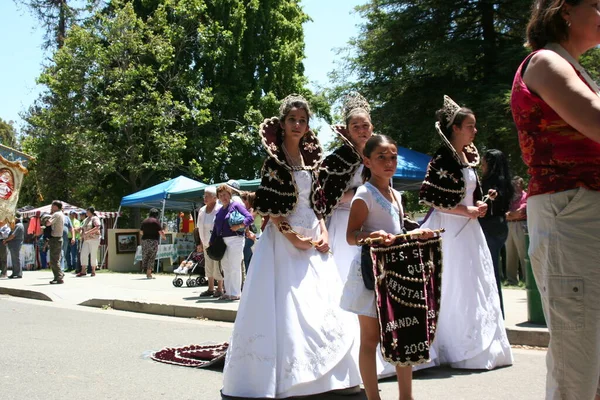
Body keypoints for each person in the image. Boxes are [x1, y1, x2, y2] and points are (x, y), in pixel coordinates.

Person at [222, 94, 361, 398]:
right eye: (292, 120)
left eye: (303, 120)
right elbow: (272, 210)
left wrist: (323, 230)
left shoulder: (312, 161)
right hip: (282, 244)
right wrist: (293, 237)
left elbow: (319, 202)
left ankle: (329, 377)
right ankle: (286, 378)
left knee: (323, 307)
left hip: (313, 238)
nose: (298, 125)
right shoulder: (273, 162)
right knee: (287, 310)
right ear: (282, 124)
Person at [510, 2, 600, 398]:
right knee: (577, 369)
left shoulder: (572, 68)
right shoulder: (545, 62)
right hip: (574, 215)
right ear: (565, 11)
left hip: (581, 212)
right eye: (596, 5)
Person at [419, 95, 513, 369]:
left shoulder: (467, 157)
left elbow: (470, 195)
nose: (475, 131)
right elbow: (430, 196)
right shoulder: (441, 159)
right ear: (455, 128)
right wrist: (465, 211)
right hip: (450, 230)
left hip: (470, 231)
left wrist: (479, 207)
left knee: (477, 281)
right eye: (470, 126)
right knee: (454, 283)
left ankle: (482, 345)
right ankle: (455, 347)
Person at [341, 134, 434, 400]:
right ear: (367, 161)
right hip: (371, 274)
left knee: (403, 336)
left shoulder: (396, 194)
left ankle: (406, 396)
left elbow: (400, 229)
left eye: (393, 156)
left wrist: (417, 235)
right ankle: (373, 397)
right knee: (370, 340)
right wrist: (372, 236)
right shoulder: (364, 194)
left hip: (397, 274)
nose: (389, 162)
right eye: (381, 157)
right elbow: (351, 235)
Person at [318, 92, 395, 379]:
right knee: (349, 285)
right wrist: (360, 195)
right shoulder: (338, 158)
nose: (363, 131)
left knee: (374, 286)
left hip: (375, 225)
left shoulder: (379, 153)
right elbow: (325, 194)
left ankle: (376, 349)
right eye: (356, 126)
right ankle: (345, 349)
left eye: (366, 126)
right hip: (345, 226)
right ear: (347, 129)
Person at [479, 149, 514, 317]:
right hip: (500, 225)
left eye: (484, 162)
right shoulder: (506, 181)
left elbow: (495, 195)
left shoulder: (490, 182)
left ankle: (496, 313)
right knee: (492, 268)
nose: (481, 165)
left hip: (489, 226)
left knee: (489, 270)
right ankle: (497, 312)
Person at [209, 184, 253, 301]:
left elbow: (250, 218)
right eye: (221, 195)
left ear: (230, 195)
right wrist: (211, 241)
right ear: (218, 197)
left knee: (234, 266)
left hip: (236, 240)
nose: (223, 197)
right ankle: (228, 292)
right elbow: (215, 228)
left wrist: (239, 225)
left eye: (226, 194)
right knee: (226, 267)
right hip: (223, 242)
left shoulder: (236, 205)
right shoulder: (219, 211)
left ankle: (236, 293)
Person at [197, 186, 224, 298]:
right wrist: (199, 243)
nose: (205, 198)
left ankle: (220, 288)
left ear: (214, 198)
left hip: (216, 242)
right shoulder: (202, 210)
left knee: (218, 265)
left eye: (207, 196)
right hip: (205, 242)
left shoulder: (219, 209)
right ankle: (210, 288)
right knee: (208, 265)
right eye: (204, 195)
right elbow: (198, 227)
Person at [505, 176, 527, 285]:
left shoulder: (525, 196)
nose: (515, 186)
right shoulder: (510, 198)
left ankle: (527, 279)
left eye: (518, 184)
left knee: (523, 253)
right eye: (514, 184)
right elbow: (505, 214)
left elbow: (521, 212)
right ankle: (511, 280)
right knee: (510, 253)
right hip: (509, 226)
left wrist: (511, 214)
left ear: (522, 184)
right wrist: (512, 215)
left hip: (521, 225)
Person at [139, 208, 165, 279]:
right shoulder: (156, 221)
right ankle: (149, 274)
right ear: (156, 214)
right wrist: (164, 237)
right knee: (151, 257)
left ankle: (145, 271)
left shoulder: (144, 221)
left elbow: (141, 232)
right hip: (153, 241)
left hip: (144, 241)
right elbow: (160, 232)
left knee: (145, 256)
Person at [78, 207, 102, 277]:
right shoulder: (86, 219)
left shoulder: (95, 218)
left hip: (94, 239)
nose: (86, 212)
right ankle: (83, 271)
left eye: (87, 211)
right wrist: (81, 232)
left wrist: (88, 232)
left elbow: (97, 227)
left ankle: (93, 270)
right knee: (83, 254)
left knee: (93, 254)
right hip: (86, 239)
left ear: (90, 211)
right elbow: (82, 227)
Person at [46, 200, 65, 284]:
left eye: (52, 206)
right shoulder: (61, 214)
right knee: (56, 258)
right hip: (58, 238)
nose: (51, 207)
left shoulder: (56, 214)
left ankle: (59, 277)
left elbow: (48, 223)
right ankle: (59, 274)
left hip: (55, 239)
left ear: (56, 206)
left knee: (54, 260)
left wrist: (45, 218)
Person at [239, 191, 258, 273]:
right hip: (252, 237)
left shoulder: (252, 210)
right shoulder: (250, 210)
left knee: (247, 261)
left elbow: (248, 222)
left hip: (251, 238)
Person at [4, 212, 25, 279]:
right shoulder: (16, 225)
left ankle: (18, 273)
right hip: (13, 244)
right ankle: (15, 273)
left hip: (15, 244)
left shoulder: (18, 225)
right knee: (14, 259)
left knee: (16, 259)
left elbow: (13, 235)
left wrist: (6, 240)